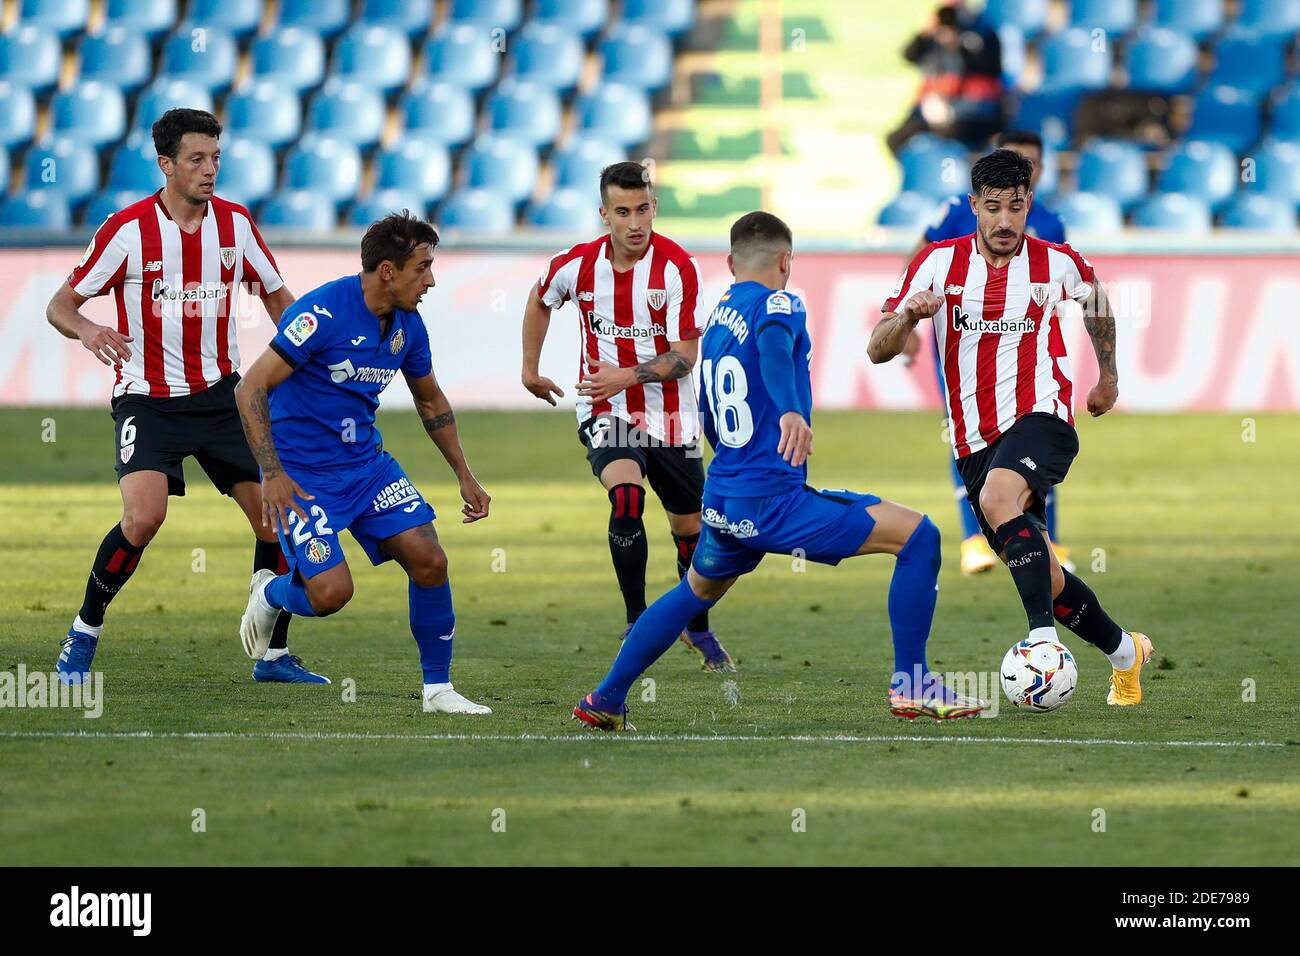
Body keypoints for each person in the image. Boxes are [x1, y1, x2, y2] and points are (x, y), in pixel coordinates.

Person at [573, 212, 987, 731]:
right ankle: (912, 685)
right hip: (774, 502)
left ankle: (605, 698)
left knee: (694, 592)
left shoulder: (719, 315)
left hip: (723, 498)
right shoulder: (780, 302)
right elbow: (772, 344)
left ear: (730, 262)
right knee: (919, 537)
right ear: (786, 261)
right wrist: (790, 409)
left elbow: (707, 407)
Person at [45, 108, 325, 685]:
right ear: (165, 164)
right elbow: (60, 306)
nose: (209, 169)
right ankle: (83, 633)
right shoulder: (128, 231)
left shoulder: (236, 226)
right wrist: (90, 330)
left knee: (278, 518)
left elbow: (277, 298)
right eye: (196, 159)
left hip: (225, 396)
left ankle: (272, 656)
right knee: (144, 517)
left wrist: (307, 351)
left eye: (216, 157)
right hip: (148, 399)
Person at [869, 148, 1153, 706]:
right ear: (973, 205)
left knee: (1001, 499)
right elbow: (879, 349)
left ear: (1029, 206)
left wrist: (1108, 377)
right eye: (993, 207)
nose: (1004, 221)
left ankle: (1041, 644)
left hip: (1043, 416)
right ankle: (1126, 652)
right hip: (972, 438)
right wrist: (908, 317)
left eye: (1016, 207)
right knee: (1043, 573)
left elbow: (1097, 303)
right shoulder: (936, 264)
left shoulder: (1056, 262)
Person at [233, 212, 493, 715]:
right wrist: (272, 474)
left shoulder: (408, 328)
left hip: (368, 469)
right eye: (423, 268)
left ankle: (437, 690)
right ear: (389, 271)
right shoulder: (321, 315)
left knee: (430, 559)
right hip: (303, 477)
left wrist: (465, 474)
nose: (432, 280)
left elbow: (431, 402)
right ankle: (272, 594)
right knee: (331, 593)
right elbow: (250, 388)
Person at [522, 161, 735, 672]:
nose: (635, 223)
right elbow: (539, 298)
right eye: (623, 212)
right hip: (605, 408)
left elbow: (686, 355)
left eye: (643, 209)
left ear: (654, 207)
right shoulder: (576, 265)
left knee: (693, 536)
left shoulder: (677, 268)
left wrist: (625, 375)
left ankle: (695, 625)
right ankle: (638, 618)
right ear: (604, 215)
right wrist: (530, 370)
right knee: (626, 495)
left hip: (673, 419)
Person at [899, 129, 1072, 576]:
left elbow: (1069, 291)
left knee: (1035, 435)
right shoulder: (960, 209)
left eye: (1030, 164)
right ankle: (975, 538)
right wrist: (908, 318)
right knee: (969, 435)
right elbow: (918, 259)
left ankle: (1043, 538)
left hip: (1026, 349)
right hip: (966, 347)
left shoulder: (1050, 223)